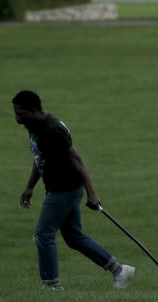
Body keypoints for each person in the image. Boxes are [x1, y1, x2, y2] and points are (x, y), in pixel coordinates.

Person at [13, 89, 134, 290]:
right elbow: (39, 157)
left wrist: (92, 193)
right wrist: (29, 188)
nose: (17, 119)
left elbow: (77, 160)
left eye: (21, 114)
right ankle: (120, 271)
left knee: (43, 235)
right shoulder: (33, 125)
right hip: (58, 188)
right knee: (74, 237)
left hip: (64, 189)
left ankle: (51, 286)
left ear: (34, 110)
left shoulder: (53, 130)